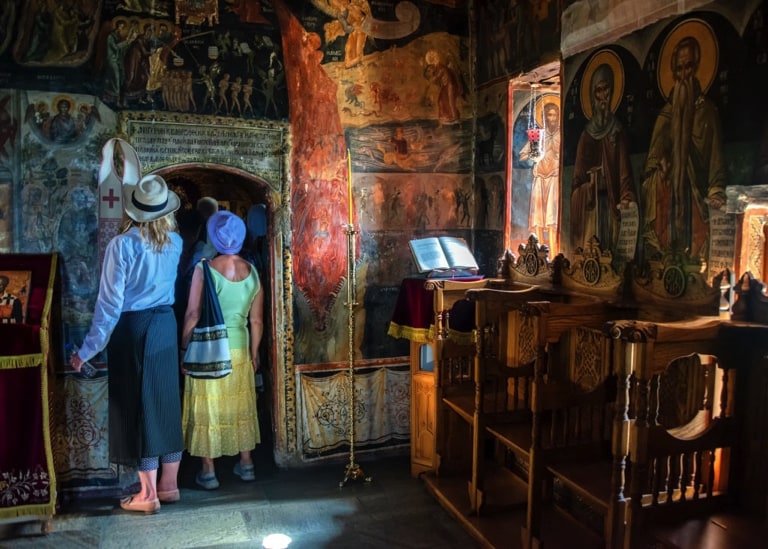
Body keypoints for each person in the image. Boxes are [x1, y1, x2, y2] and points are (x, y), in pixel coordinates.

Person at [70, 174, 183, 514]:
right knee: (164, 403)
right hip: (166, 324)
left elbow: (109, 305)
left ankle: (147, 495)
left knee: (139, 408)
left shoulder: (123, 245)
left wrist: (87, 350)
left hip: (134, 328)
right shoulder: (175, 242)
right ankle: (169, 485)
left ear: (135, 211)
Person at [181, 210, 264, 490]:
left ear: (215, 237)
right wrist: (254, 353)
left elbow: (193, 313)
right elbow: (256, 320)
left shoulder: (204, 269)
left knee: (209, 408)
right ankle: (247, 464)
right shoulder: (252, 272)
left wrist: (184, 346)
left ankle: (208, 471)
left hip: (209, 350)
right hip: (241, 349)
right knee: (239, 406)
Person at [640, 35, 725, 260]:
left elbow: (716, 159)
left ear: (696, 67)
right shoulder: (666, 114)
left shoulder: (707, 111)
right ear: (674, 72)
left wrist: (716, 190)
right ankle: (663, 252)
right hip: (669, 197)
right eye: (679, 68)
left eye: (688, 67)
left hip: (695, 195)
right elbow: (652, 159)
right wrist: (661, 162)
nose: (684, 74)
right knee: (657, 179)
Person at [571, 62, 636, 254]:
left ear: (613, 90)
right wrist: (586, 188)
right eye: (598, 91)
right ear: (592, 95)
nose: (603, 96)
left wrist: (626, 197)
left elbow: (625, 173)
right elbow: (576, 182)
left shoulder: (617, 130)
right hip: (592, 208)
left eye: (606, 89)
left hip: (612, 204)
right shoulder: (586, 135)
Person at [520, 100, 561, 253]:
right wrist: (533, 154)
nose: (552, 118)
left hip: (553, 178)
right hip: (539, 178)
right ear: (543, 116)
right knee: (538, 219)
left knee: (551, 218)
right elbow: (523, 155)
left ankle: (554, 253)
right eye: (549, 115)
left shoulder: (560, 135)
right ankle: (538, 252)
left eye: (554, 115)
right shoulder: (538, 136)